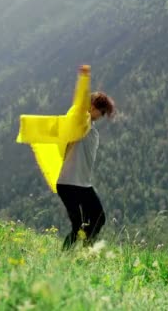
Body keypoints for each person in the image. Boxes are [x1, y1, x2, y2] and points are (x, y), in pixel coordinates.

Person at [56, 90, 116, 250]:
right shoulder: (79, 124)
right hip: (68, 184)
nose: (102, 115)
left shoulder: (91, 128)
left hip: (83, 184)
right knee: (77, 227)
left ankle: (86, 250)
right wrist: (84, 77)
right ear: (92, 106)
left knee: (99, 218)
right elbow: (79, 110)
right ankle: (63, 257)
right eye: (101, 111)